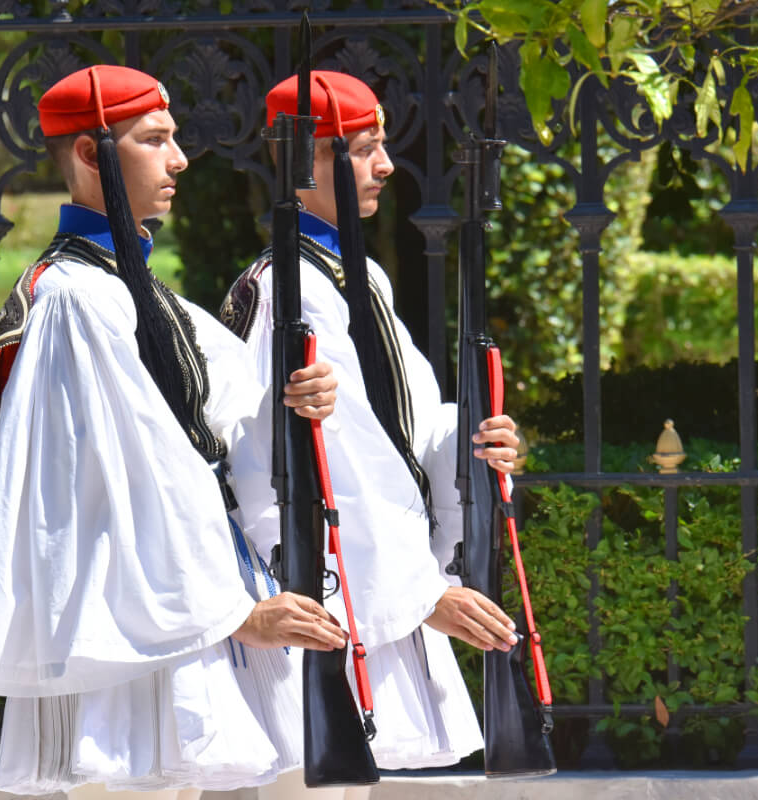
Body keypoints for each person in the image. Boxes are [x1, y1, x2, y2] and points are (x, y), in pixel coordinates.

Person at [0, 65, 347, 800]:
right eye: (154, 139)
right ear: (90, 155)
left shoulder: (128, 290)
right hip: (130, 641)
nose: (179, 159)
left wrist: (302, 397)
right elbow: (145, 475)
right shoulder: (78, 297)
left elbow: (230, 408)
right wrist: (236, 612)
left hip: (166, 621)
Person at [219, 70, 522, 798]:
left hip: (361, 597)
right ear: (306, 162)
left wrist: (478, 444)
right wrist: (424, 593)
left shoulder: (357, 279)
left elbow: (404, 432)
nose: (386, 165)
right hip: (318, 598)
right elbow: (298, 474)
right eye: (364, 148)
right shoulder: (285, 289)